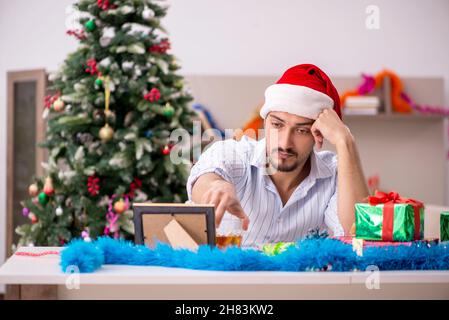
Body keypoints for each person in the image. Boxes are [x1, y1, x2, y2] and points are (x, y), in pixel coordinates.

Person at [186, 64, 369, 246]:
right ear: (265, 122)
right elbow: (204, 180)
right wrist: (217, 186)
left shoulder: (335, 173)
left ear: (318, 134)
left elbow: (355, 233)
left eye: (302, 130)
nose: (284, 143)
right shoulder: (235, 153)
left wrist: (345, 141)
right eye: (277, 125)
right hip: (233, 274)